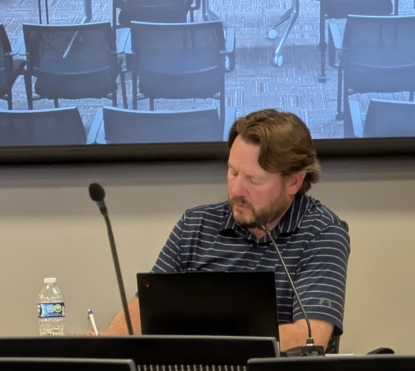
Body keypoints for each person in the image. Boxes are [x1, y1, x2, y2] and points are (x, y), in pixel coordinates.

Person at [103, 109, 350, 351]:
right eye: (233, 172)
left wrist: (197, 336)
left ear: (294, 181)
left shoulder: (322, 233)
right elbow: (143, 312)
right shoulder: (195, 225)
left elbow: (308, 338)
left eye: (253, 180)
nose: (236, 190)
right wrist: (103, 343)